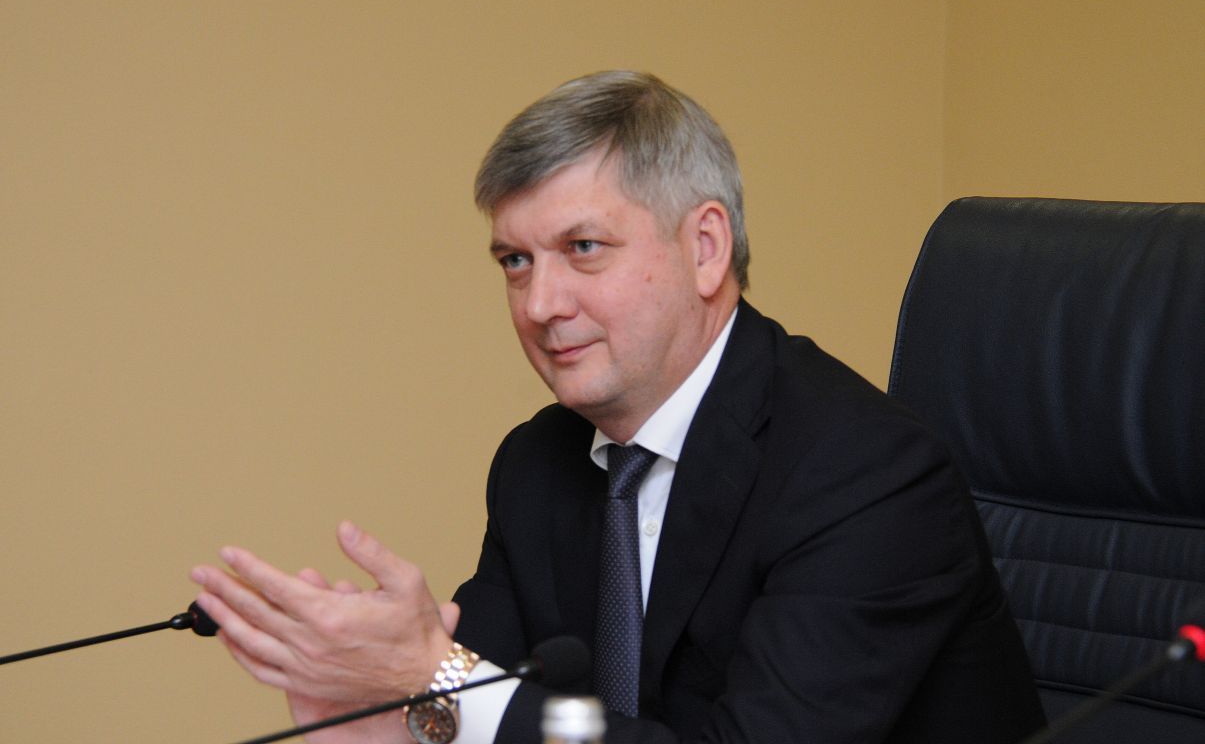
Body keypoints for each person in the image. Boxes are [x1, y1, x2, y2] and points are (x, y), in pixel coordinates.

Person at [191, 71, 1045, 743]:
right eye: (515, 261)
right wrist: (401, 723)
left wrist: (435, 676)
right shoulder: (537, 463)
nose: (539, 305)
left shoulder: (866, 475)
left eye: (582, 248)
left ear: (704, 249)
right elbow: (525, 714)